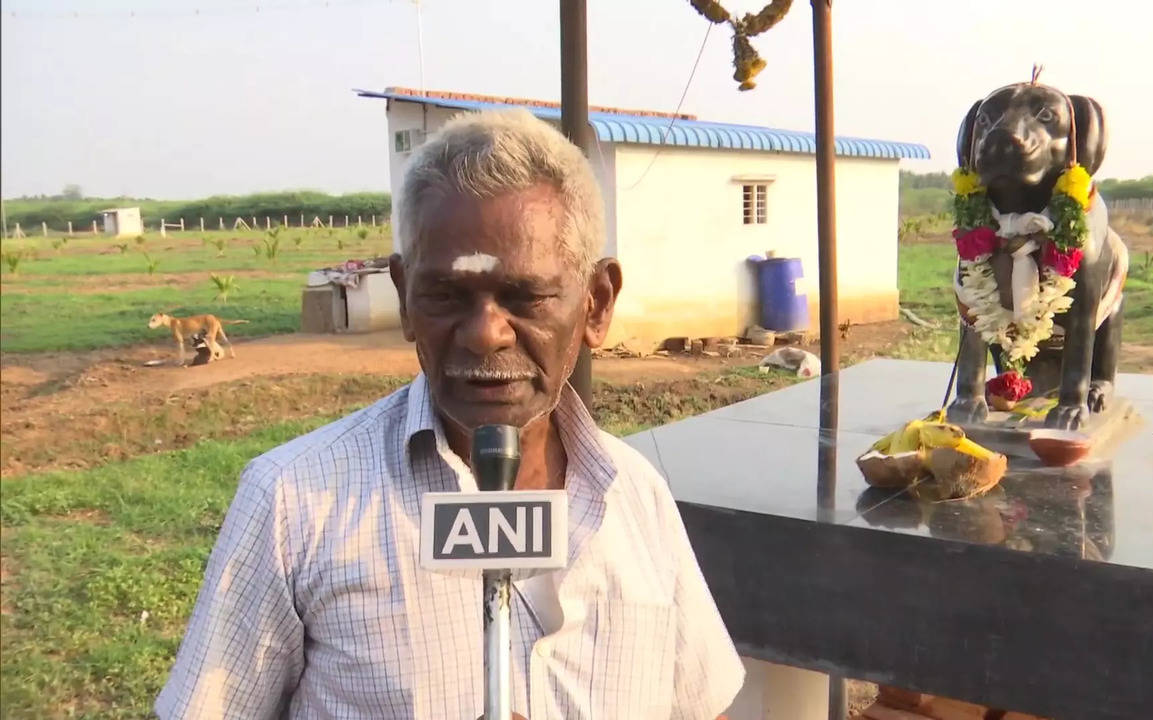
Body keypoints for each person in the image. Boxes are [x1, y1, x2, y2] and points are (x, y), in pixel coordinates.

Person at [156, 107, 745, 719]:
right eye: (446, 296)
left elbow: (702, 709)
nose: (486, 334)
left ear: (596, 304)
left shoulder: (637, 496)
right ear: (407, 298)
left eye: (528, 297)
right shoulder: (293, 503)